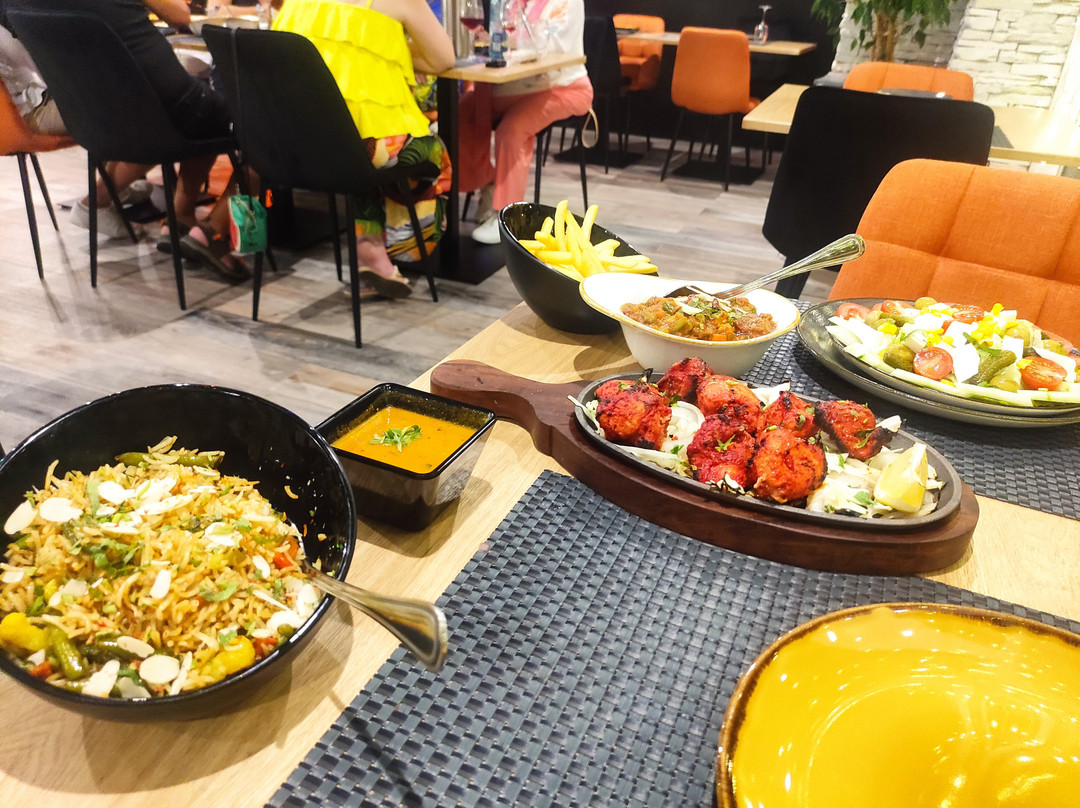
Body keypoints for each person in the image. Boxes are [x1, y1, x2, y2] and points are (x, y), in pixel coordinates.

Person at [7, 0, 246, 279]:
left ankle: (177, 216)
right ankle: (204, 227)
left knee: (192, 109)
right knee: (228, 117)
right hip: (158, 114)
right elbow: (181, 14)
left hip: (93, 120)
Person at [273, 0, 455, 298]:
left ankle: (371, 251)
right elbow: (442, 60)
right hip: (358, 147)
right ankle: (396, 246)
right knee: (431, 151)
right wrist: (391, 52)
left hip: (294, 141)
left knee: (362, 147)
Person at [457, 0, 592, 245]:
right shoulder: (515, 3)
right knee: (464, 111)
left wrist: (501, 39)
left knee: (512, 129)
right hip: (518, 84)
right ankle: (487, 181)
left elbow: (552, 46)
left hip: (564, 86)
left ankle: (508, 216)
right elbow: (503, 37)